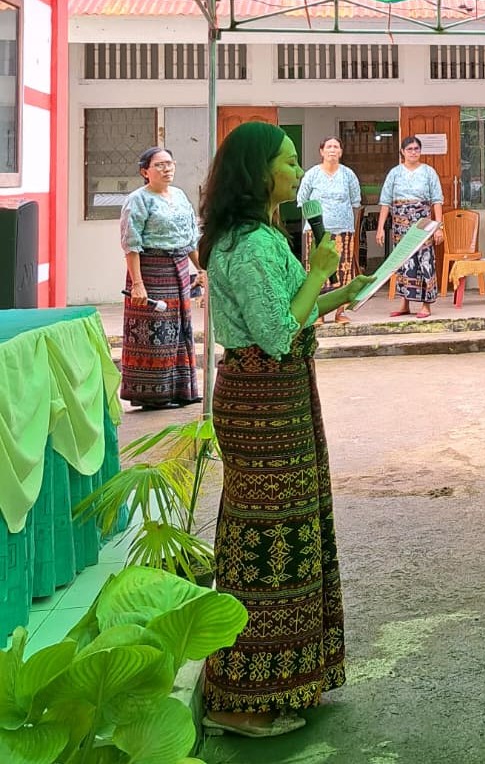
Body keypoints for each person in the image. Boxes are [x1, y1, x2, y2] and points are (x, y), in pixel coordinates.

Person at [198, 122, 373, 738]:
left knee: (292, 529)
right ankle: (240, 699)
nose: (299, 173)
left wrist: (335, 291)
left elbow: (287, 310)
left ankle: (288, 678)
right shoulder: (244, 243)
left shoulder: (261, 234)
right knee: (266, 538)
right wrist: (321, 268)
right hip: (261, 401)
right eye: (289, 162)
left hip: (281, 397)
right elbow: (275, 335)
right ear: (258, 173)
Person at [119, 146, 202, 409]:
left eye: (170, 163)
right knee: (155, 333)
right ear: (145, 171)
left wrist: (202, 270)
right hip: (151, 270)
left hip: (178, 269)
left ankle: (181, 390)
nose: (167, 169)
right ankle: (151, 394)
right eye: (159, 165)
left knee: (180, 329)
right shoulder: (138, 200)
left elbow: (190, 240)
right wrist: (138, 284)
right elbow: (131, 245)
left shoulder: (179, 196)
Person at [297, 136, 363, 325]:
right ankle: (318, 313)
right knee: (318, 272)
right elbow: (302, 200)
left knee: (343, 270)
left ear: (341, 152)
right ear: (321, 151)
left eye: (336, 147)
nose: (332, 150)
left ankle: (340, 312)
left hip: (343, 231)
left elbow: (355, 201)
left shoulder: (348, 174)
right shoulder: (312, 174)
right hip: (317, 232)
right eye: (329, 147)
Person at [376, 136, 445, 318]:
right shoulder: (395, 173)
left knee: (425, 262)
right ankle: (404, 303)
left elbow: (437, 201)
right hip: (400, 225)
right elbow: (385, 202)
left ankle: (426, 305)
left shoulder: (429, 172)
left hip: (423, 225)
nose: (413, 152)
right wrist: (380, 227)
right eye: (409, 149)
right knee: (404, 263)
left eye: (416, 149)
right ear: (402, 152)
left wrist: (439, 227)